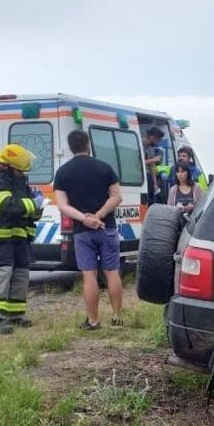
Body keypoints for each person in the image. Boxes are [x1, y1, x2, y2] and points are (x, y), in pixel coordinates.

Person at [53, 130, 124, 330]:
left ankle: (93, 321)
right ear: (88, 145)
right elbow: (117, 196)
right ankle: (117, 317)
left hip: (82, 232)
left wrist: (85, 219)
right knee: (111, 272)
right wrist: (98, 216)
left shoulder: (63, 172)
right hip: (107, 228)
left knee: (89, 275)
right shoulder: (104, 168)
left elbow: (62, 205)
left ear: (70, 147)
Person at [0, 143, 43, 334]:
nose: (23, 172)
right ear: (6, 167)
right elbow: (8, 207)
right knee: (1, 276)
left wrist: (38, 207)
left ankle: (15, 316)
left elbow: (31, 212)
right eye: (19, 169)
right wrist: (33, 203)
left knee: (20, 276)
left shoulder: (20, 183)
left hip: (19, 239)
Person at [143, 127, 164, 203]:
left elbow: (152, 166)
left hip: (148, 179)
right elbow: (136, 164)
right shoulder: (139, 144)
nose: (158, 143)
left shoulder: (151, 148)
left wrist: (155, 184)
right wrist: (153, 160)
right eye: (158, 140)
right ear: (152, 137)